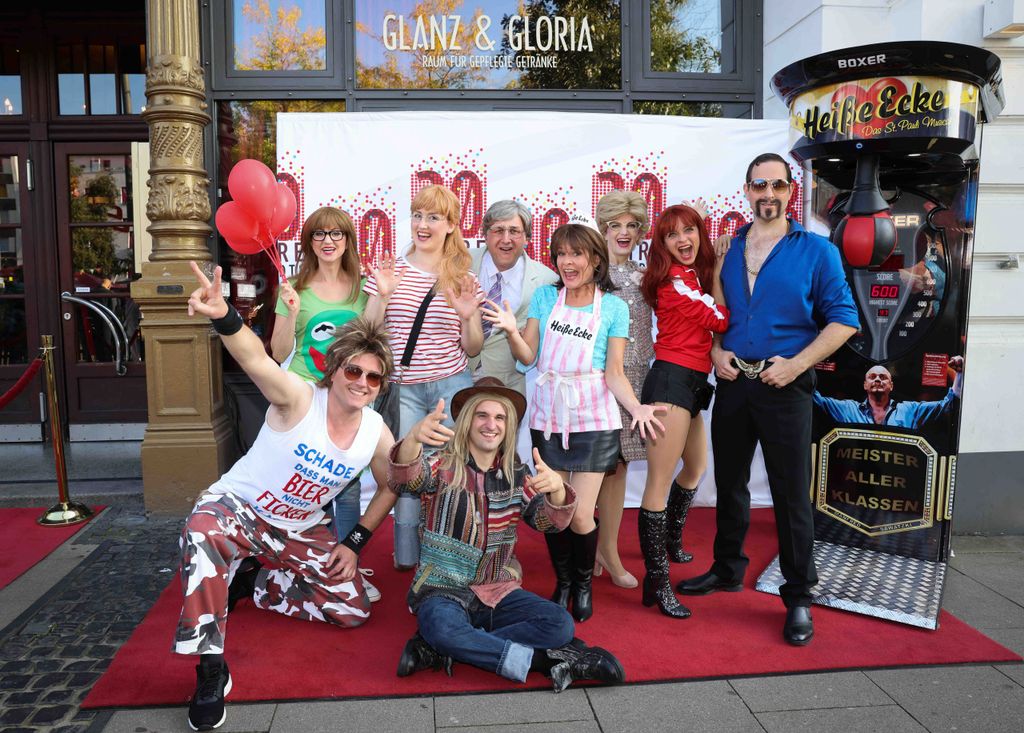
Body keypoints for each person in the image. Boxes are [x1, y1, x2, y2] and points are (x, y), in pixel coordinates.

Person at [176, 262, 397, 731]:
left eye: (373, 378)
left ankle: (251, 583)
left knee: (351, 611)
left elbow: (397, 482)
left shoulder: (376, 431)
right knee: (201, 531)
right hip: (240, 511)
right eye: (353, 371)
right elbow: (256, 358)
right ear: (334, 370)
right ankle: (210, 669)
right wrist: (223, 316)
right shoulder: (298, 398)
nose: (361, 383)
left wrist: (354, 542)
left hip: (299, 527)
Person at [678, 153, 859, 647]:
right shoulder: (727, 250)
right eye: (760, 186)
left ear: (789, 192)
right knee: (730, 483)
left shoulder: (818, 252)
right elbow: (716, 315)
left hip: (787, 386)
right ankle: (727, 569)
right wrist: (716, 351)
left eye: (778, 185)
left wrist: (798, 364)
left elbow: (844, 321)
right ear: (747, 191)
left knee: (790, 492)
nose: (769, 194)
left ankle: (799, 594)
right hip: (735, 383)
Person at [387, 377, 625, 692]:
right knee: (443, 627)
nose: (491, 424)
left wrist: (556, 492)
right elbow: (406, 480)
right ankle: (548, 662)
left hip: (497, 592)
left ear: (509, 426)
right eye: (482, 415)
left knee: (560, 623)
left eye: (500, 417)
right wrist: (412, 440)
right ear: (468, 421)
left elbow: (548, 523)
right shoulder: (442, 465)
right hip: (442, 591)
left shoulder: (517, 475)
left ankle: (438, 648)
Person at [482, 222, 665, 623]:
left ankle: (582, 584)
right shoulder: (546, 298)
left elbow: (614, 372)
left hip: (594, 418)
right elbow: (527, 356)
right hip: (548, 415)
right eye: (562, 254)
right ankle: (563, 582)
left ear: (595, 259)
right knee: (553, 508)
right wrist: (513, 331)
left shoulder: (613, 307)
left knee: (580, 513)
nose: (568, 261)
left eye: (577, 253)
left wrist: (636, 408)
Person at [364, 184, 485, 569]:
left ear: (451, 225)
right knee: (407, 470)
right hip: (404, 388)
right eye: (418, 215)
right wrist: (382, 295)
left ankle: (446, 553)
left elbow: (474, 346)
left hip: (451, 386)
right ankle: (409, 557)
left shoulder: (463, 278)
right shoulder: (390, 271)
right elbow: (366, 333)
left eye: (433, 217)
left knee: (451, 472)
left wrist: (468, 316)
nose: (423, 224)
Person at [268, 206, 377, 600]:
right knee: (300, 483)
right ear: (309, 242)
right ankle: (298, 562)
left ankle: (348, 565)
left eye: (336, 234)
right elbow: (278, 350)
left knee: (345, 484)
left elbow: (373, 339)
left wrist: (385, 295)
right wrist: (289, 313)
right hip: (305, 396)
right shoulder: (295, 285)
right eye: (318, 234)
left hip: (346, 398)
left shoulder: (361, 288)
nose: (328, 241)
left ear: (347, 240)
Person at [636, 204, 729, 618]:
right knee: (657, 483)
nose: (683, 240)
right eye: (673, 234)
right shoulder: (674, 281)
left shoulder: (691, 275)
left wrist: (714, 265)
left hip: (692, 384)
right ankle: (656, 583)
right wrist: (722, 274)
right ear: (661, 244)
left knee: (694, 468)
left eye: (690, 230)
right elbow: (720, 318)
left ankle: (671, 542)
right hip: (670, 383)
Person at [591, 190, 652, 590]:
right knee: (592, 466)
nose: (624, 233)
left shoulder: (647, 275)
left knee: (619, 467)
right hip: (596, 380)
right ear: (603, 228)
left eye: (632, 225)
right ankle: (592, 547)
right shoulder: (589, 274)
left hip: (635, 379)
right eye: (616, 225)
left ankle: (607, 550)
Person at [468, 199, 558, 396]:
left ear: (527, 237)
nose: (506, 239)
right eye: (498, 230)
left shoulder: (547, 281)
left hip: (509, 386)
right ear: (485, 234)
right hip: (456, 379)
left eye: (514, 231)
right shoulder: (460, 263)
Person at [814, 357, 963, 428]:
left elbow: (949, 405)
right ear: (865, 385)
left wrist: (960, 373)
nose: (877, 379)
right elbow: (814, 399)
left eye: (883, 377)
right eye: (872, 377)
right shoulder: (847, 409)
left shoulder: (909, 410)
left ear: (891, 386)